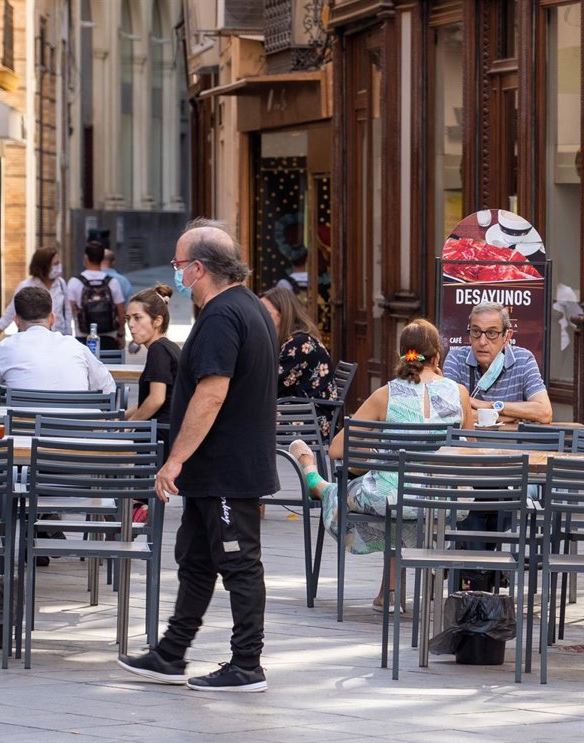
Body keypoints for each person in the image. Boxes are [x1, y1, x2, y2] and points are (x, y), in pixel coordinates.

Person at [117, 219, 278, 692]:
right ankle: (171, 653)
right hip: (217, 468)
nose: (177, 274)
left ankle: (247, 663)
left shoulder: (223, 315)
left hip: (226, 467)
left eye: (179, 264)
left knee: (237, 562)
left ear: (199, 268)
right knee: (196, 559)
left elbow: (211, 393)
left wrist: (174, 460)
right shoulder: (246, 306)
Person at [288, 318, 473, 611]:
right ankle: (389, 593)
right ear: (437, 356)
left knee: (358, 491)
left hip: (393, 497)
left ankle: (313, 478)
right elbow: (468, 448)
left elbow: (337, 449)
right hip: (445, 499)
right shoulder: (459, 393)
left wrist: (380, 455)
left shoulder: (386, 394)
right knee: (404, 500)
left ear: (402, 354)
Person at [0, 287, 115, 393]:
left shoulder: (4, 348)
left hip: (24, 430)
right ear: (52, 319)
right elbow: (108, 388)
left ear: (16, 321)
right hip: (75, 429)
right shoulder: (76, 347)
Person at [442, 301, 552, 425]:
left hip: (509, 438)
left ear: (507, 336)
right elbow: (447, 412)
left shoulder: (523, 360)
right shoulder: (456, 358)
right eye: (476, 331)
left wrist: (491, 405)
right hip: (468, 438)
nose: (482, 342)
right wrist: (503, 416)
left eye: (492, 333)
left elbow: (544, 412)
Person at [261, 286, 336, 440]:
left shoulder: (299, 344)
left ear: (284, 314)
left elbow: (270, 385)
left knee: (247, 418)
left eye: (266, 313)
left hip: (312, 420)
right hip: (301, 411)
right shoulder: (293, 340)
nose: (260, 318)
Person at [125, 284, 181, 457]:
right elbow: (147, 400)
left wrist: (129, 425)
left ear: (157, 321)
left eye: (137, 318)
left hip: (159, 437)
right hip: (166, 433)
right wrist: (121, 417)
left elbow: (156, 399)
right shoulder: (169, 347)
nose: (130, 324)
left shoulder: (158, 349)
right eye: (128, 318)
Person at [0, 247, 72, 341]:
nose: (58, 267)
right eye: (55, 264)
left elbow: (67, 311)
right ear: (44, 266)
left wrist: (69, 336)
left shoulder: (61, 284)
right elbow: (10, 312)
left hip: (57, 338)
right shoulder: (26, 286)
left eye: (58, 263)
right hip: (31, 339)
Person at [67, 240, 126, 350]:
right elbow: (121, 313)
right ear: (102, 258)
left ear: (85, 258)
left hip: (83, 338)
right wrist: (121, 335)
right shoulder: (112, 282)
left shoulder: (74, 282)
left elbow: (69, 311)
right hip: (109, 338)